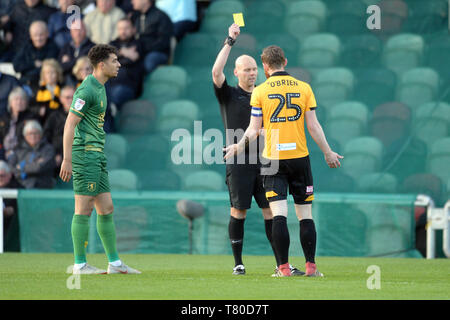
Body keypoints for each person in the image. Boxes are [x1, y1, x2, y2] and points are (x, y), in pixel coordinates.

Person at [224, 45, 343, 277]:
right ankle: (311, 267)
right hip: (300, 158)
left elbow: (253, 129)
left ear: (265, 66)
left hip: (273, 160)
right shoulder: (304, 88)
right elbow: (313, 126)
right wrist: (328, 152)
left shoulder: (260, 92)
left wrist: (238, 145)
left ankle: (284, 268)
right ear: (285, 62)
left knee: (279, 214)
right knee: (305, 214)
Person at [212, 24, 304, 276]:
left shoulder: (265, 95)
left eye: (255, 69)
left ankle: (281, 264)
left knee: (271, 211)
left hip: (267, 160)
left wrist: (265, 133)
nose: (252, 73)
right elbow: (216, 71)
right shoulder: (229, 95)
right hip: (240, 161)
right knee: (238, 210)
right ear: (237, 72)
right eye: (247, 69)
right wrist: (230, 40)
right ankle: (238, 263)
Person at [59, 44, 140, 274]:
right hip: (84, 154)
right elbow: (69, 124)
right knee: (83, 210)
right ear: (101, 65)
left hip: (97, 155)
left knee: (106, 208)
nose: (119, 64)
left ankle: (114, 264)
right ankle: (79, 264)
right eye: (115, 60)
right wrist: (67, 159)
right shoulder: (87, 90)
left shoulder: (101, 87)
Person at [8, 119, 56, 189]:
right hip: (22, 187)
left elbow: (39, 168)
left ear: (41, 134)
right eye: (30, 133)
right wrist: (35, 164)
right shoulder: (18, 149)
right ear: (25, 136)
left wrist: (21, 167)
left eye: (36, 133)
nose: (33, 136)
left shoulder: (48, 149)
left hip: (43, 188)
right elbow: (11, 168)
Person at [129, 0, 173, 74]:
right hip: (140, 51)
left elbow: (163, 42)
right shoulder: (136, 16)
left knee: (150, 60)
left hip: (157, 53)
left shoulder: (161, 16)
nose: (132, 1)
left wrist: (141, 49)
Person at [108, 18, 143, 108]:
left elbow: (132, 59)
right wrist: (123, 52)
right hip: (109, 84)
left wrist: (116, 57)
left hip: (128, 86)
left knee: (116, 95)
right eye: (120, 29)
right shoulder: (112, 43)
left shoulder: (138, 43)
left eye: (126, 28)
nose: (123, 31)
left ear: (133, 29)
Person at [12, 20, 59, 86]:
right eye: (35, 35)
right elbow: (16, 66)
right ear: (31, 36)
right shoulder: (26, 47)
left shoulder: (53, 47)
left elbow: (47, 68)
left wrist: (26, 69)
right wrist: (33, 64)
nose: (38, 38)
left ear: (47, 34)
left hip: (44, 84)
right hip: (25, 83)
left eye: (41, 35)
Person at [0, 87, 39, 160]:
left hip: (22, 152)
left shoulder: (31, 117)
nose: (19, 102)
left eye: (22, 99)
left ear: (26, 103)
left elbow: (31, 138)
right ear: (10, 103)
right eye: (16, 99)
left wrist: (13, 151)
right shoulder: (4, 117)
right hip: (3, 152)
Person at [43, 85, 75, 172]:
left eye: (73, 97)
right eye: (67, 97)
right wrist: (54, 154)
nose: (70, 100)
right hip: (55, 154)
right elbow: (46, 137)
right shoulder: (54, 116)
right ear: (61, 99)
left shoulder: (84, 116)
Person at [30, 58, 64, 124]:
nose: (50, 75)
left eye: (52, 72)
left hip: (59, 121)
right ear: (43, 75)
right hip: (42, 121)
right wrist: (38, 110)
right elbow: (31, 106)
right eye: (47, 73)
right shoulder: (37, 89)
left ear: (58, 74)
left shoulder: (63, 88)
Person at [0, 160, 23, 252]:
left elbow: (16, 210)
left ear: (9, 175)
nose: (0, 178)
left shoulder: (18, 188)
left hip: (11, 231)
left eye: (2, 175)